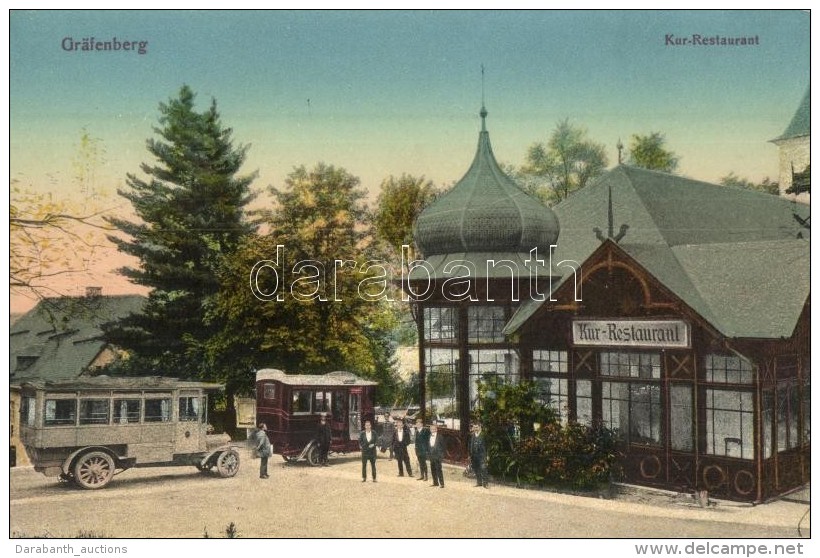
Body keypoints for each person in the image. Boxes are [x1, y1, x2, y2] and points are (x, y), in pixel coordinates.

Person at [469, 422, 488, 488]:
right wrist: (470, 454)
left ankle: (485, 483)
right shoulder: (473, 435)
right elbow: (470, 445)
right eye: (474, 427)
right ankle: (479, 482)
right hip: (474, 455)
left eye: (476, 427)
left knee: (483, 468)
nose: (475, 429)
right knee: (476, 468)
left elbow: (487, 446)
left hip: (482, 455)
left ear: (480, 427)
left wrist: (487, 455)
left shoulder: (484, 435)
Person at [427, 422, 444, 488]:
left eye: (434, 429)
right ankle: (435, 482)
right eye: (431, 429)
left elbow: (443, 447)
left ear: (436, 429)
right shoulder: (429, 436)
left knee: (439, 470)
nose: (432, 430)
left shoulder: (440, 437)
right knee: (433, 469)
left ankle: (442, 483)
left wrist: (441, 456)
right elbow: (429, 445)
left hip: (438, 456)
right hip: (431, 456)